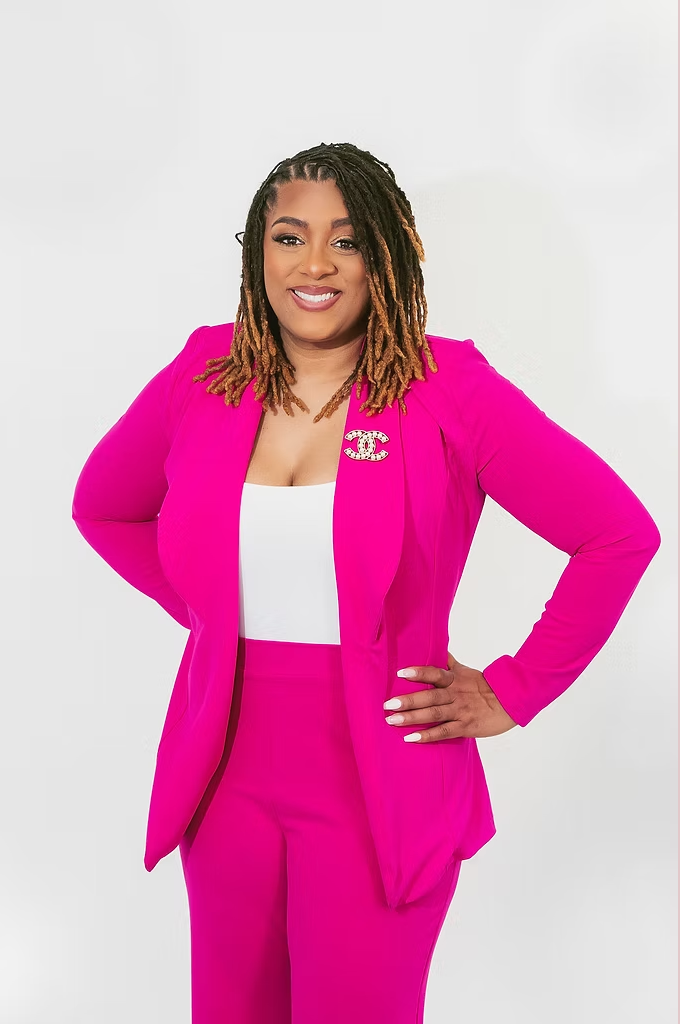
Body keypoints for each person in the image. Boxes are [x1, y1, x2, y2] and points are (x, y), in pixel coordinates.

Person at [71, 141, 661, 1023]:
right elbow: (105, 509)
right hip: (224, 785)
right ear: (257, 252)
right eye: (289, 237)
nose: (313, 264)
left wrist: (514, 690)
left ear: (387, 254)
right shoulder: (206, 372)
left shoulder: (448, 389)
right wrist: (212, 616)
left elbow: (617, 535)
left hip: (380, 787)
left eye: (345, 241)